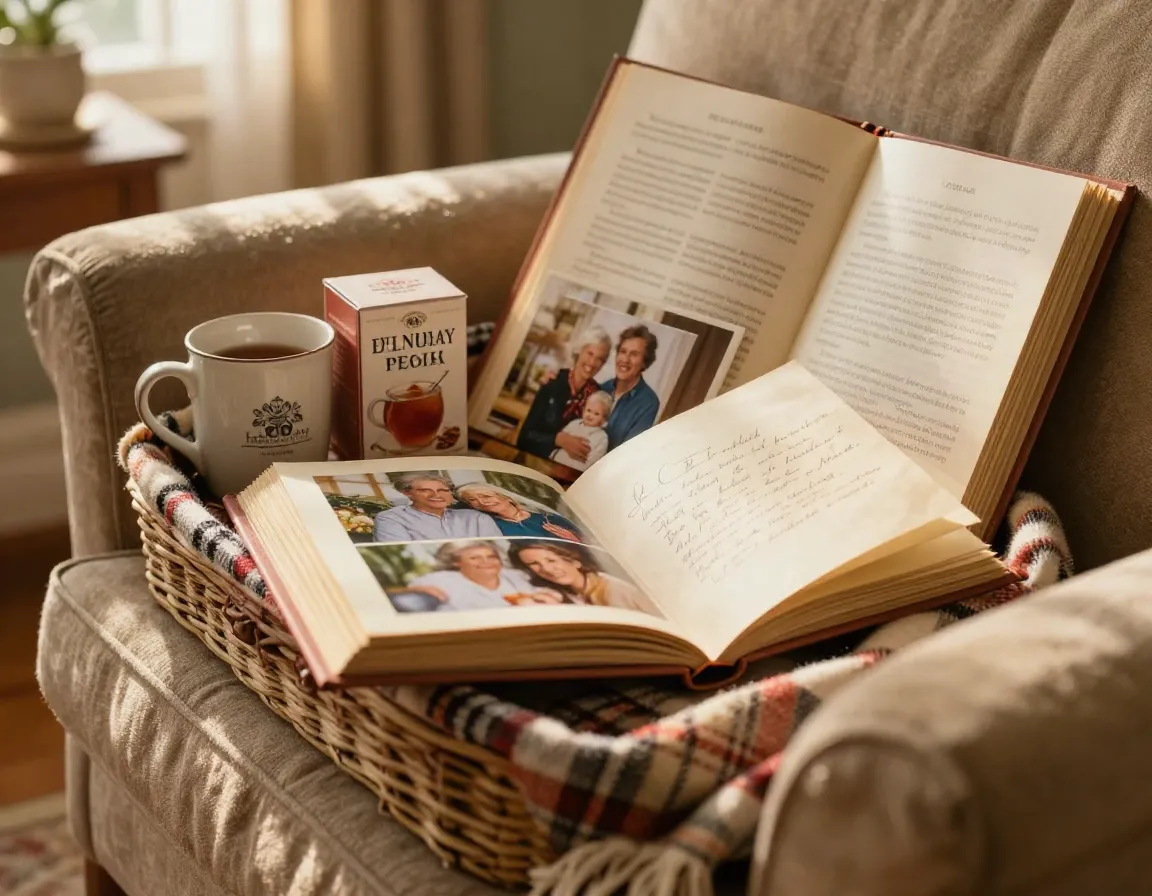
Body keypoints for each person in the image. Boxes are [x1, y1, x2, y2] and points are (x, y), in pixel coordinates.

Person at [548, 325, 662, 466]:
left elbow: (628, 453)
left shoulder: (648, 403)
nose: (625, 359)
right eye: (623, 351)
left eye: (634, 354)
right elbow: (570, 424)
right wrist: (554, 380)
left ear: (645, 362)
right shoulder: (599, 388)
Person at [516, 327, 611, 460]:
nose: (592, 362)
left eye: (600, 359)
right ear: (579, 351)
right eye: (589, 353)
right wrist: (557, 439)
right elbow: (524, 438)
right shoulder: (552, 382)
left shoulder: (599, 398)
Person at [507, 540, 662, 616]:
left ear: (574, 560)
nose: (546, 569)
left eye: (551, 560)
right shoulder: (565, 595)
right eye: (534, 564)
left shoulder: (617, 590)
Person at [402, 541, 562, 612]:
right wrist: (419, 591)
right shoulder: (441, 580)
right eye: (475, 557)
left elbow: (547, 593)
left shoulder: (516, 576)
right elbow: (411, 593)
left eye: (491, 556)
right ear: (457, 562)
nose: (486, 562)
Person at [373, 473, 501, 543]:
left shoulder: (475, 517)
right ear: (407, 493)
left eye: (442, 490)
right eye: (425, 490)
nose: (436, 495)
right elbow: (400, 555)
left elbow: (500, 550)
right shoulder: (390, 518)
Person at [455, 482, 587, 542]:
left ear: (505, 496)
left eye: (486, 496)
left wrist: (575, 540)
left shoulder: (551, 519)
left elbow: (595, 548)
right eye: (473, 500)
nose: (482, 503)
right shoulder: (489, 526)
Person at [551, 390, 613, 471]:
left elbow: (593, 463)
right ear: (583, 409)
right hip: (554, 463)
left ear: (604, 420)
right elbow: (558, 444)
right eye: (589, 410)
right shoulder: (574, 424)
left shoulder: (602, 438)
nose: (590, 415)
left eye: (596, 414)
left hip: (574, 472)